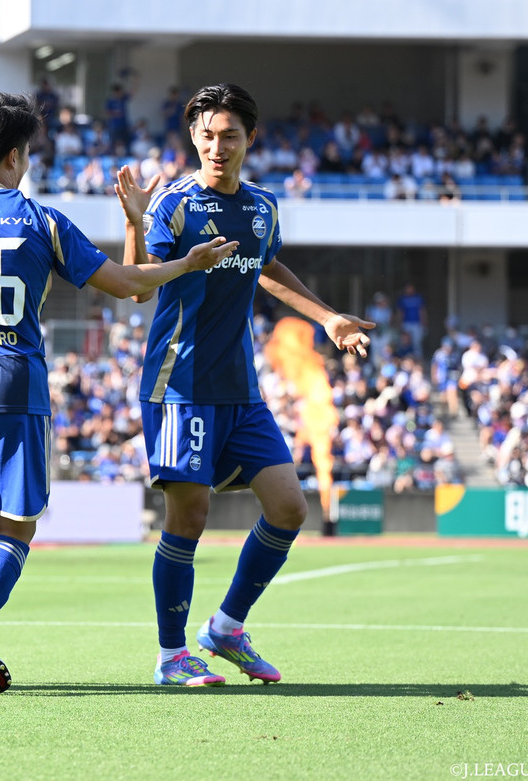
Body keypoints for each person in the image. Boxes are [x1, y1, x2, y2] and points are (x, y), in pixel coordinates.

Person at [0, 91, 237, 693]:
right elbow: (127, 282)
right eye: (27, 151)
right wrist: (186, 265)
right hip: (18, 394)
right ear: (12, 155)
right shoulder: (41, 219)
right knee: (14, 531)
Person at [117, 82, 373, 687]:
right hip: (178, 386)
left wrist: (328, 316)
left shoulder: (262, 207)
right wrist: (133, 224)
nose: (217, 145)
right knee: (190, 516)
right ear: (192, 138)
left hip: (241, 389)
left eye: (229, 134)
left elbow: (266, 265)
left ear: (249, 139)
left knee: (289, 507)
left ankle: (227, 627)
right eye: (206, 134)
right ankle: (171, 654)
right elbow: (136, 285)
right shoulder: (174, 206)